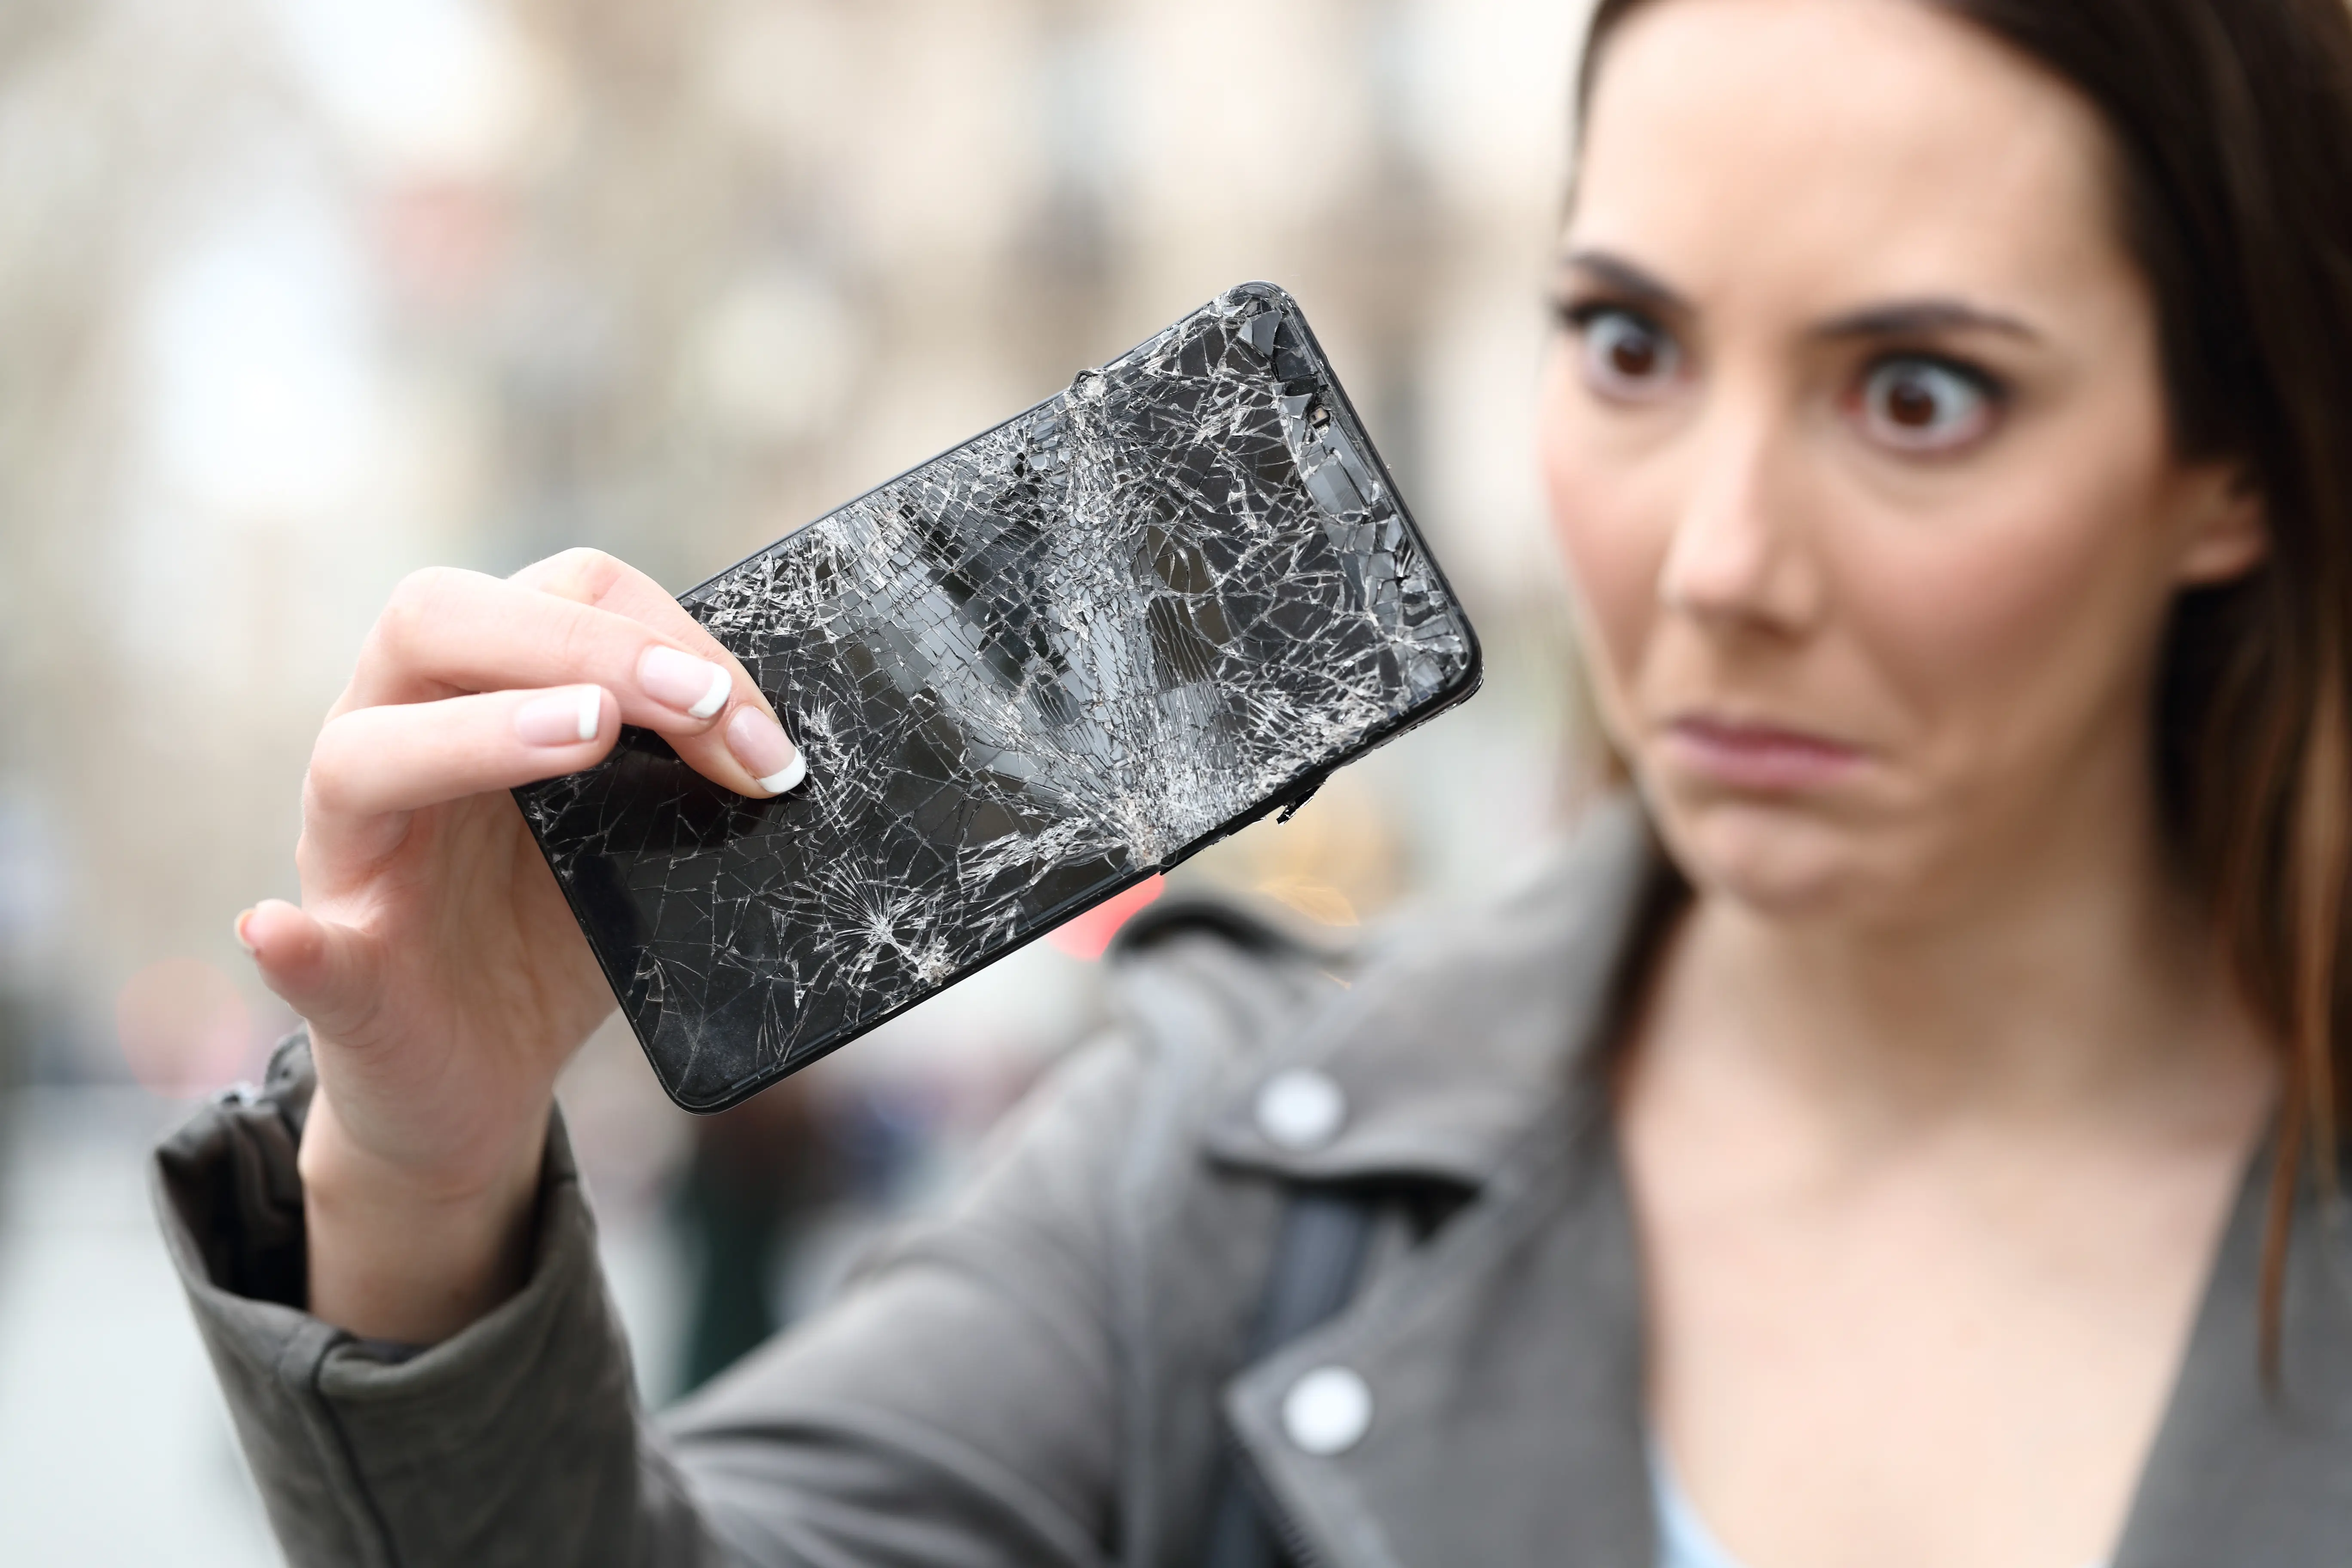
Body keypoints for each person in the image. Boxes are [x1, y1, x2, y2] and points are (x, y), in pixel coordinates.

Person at [154, 0, 2352, 1562]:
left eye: (1923, 393)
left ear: (2235, 455)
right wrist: (426, 1195)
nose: (1714, 561)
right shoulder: (1228, 1172)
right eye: (1628, 344)